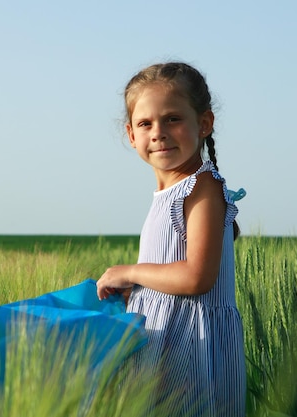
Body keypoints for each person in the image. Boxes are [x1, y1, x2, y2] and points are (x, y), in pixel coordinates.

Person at [96, 62, 246, 416]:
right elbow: (169, 271)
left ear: (204, 124)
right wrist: (140, 292)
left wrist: (130, 272)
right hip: (161, 346)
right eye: (146, 123)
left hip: (195, 352)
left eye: (173, 119)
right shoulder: (168, 194)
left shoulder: (202, 188)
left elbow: (197, 277)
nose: (158, 132)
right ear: (131, 134)